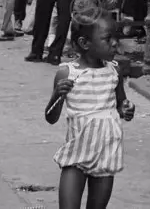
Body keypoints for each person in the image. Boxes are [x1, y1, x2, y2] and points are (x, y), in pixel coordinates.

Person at [45, 15, 136, 209]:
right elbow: (51, 117)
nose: (115, 43)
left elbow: (120, 105)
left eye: (116, 37)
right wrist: (57, 95)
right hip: (76, 153)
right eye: (107, 38)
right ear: (84, 43)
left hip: (105, 153)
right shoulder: (67, 73)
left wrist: (127, 109)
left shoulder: (114, 71)